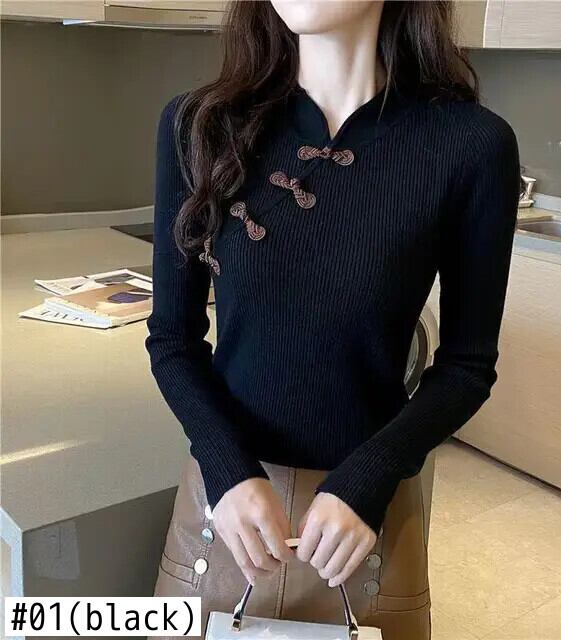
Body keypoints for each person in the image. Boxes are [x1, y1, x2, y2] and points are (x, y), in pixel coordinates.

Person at [145, 1, 521, 638]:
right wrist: (226, 469)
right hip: (226, 512)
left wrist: (369, 480)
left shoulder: (471, 145)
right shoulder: (200, 125)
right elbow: (173, 340)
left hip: (366, 519)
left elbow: (467, 367)